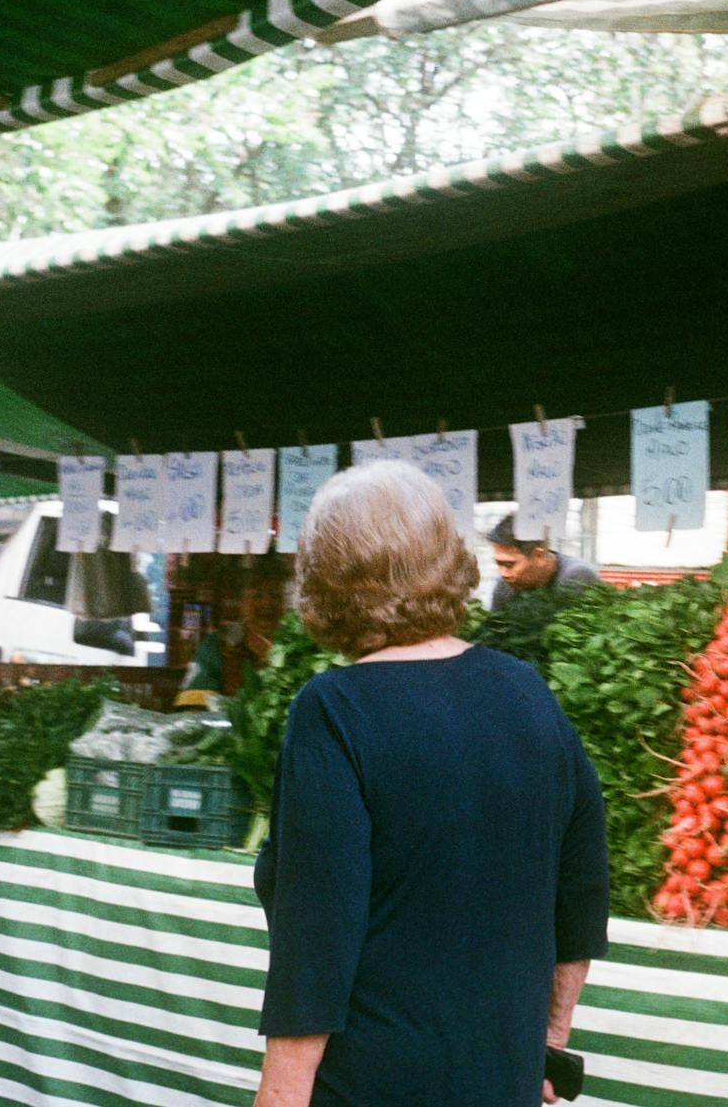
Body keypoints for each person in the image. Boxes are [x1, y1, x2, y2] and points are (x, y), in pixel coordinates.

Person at [254, 463, 610, 1107]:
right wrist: (548, 1045)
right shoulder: (526, 691)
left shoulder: (334, 709)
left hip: (374, 1081)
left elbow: (316, 934)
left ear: (324, 579)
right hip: (503, 1077)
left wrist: (281, 1096)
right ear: (450, 560)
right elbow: (581, 886)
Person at [487, 514, 604, 612]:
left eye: (509, 565)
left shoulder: (577, 577)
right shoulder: (504, 586)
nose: (503, 573)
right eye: (498, 564)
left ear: (539, 556)